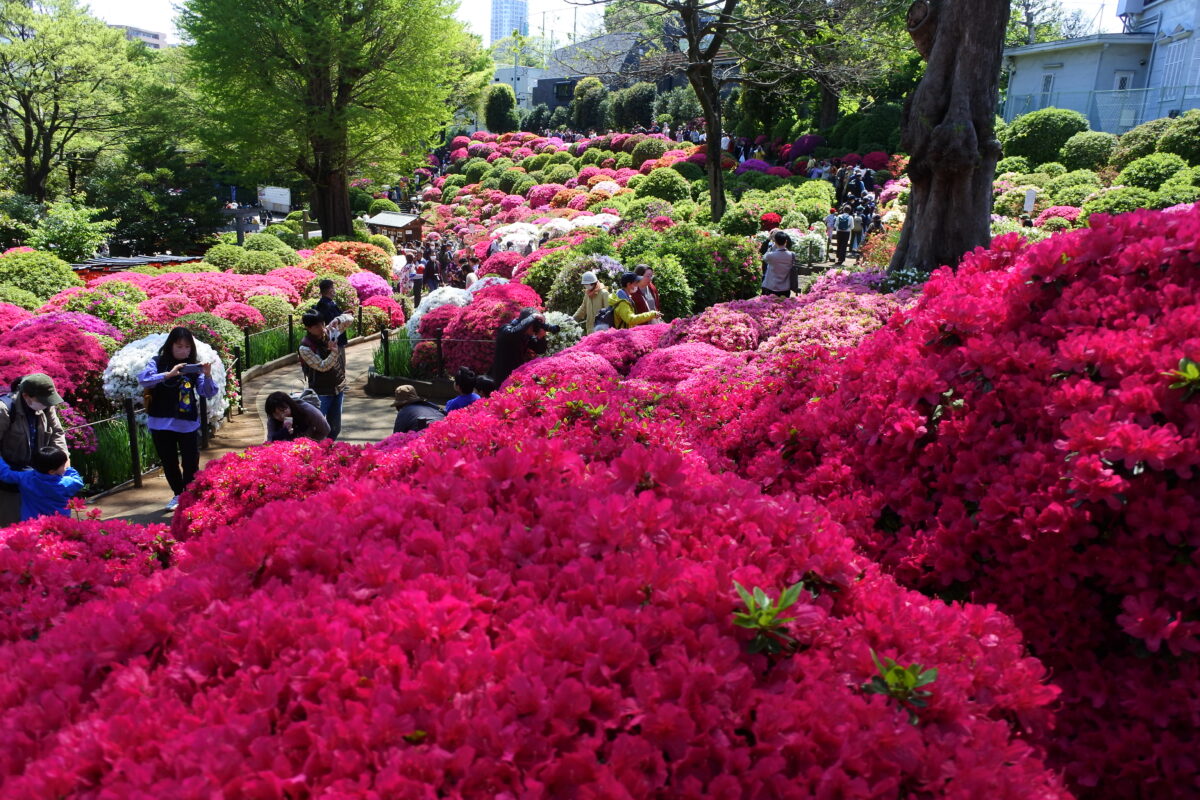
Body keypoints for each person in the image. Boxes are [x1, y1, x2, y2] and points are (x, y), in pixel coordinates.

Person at [138, 327, 219, 511]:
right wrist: (169, 374)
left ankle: (189, 494)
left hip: (187, 423)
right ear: (170, 346)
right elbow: (144, 380)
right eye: (179, 346)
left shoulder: (194, 368)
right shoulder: (157, 362)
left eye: (187, 347)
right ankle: (178, 493)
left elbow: (207, 392)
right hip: (160, 423)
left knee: (190, 461)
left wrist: (207, 374)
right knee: (169, 461)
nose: (184, 351)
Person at [0, 373, 69, 526]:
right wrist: (6, 474)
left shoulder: (46, 405)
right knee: (14, 526)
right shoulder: (4, 409)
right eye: (43, 401)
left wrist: (63, 460)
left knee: (42, 525)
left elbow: (57, 432)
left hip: (38, 477)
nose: (47, 404)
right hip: (9, 480)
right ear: (26, 395)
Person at [298, 310, 353, 441]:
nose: (321, 328)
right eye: (316, 326)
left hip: (338, 387)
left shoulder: (329, 331)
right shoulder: (305, 347)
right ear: (308, 328)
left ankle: (329, 449)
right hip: (321, 392)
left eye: (322, 323)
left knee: (335, 428)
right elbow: (322, 366)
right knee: (317, 428)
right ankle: (315, 451)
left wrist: (337, 320)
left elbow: (350, 319)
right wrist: (334, 352)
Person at [0, 446, 83, 522]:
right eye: (63, 465)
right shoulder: (65, 483)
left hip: (31, 525)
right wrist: (69, 469)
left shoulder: (25, 477)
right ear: (52, 471)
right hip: (58, 524)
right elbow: (78, 481)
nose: (64, 467)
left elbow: (6, 474)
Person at [492, 309, 555, 386]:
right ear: (525, 322)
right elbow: (514, 333)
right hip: (502, 374)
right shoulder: (505, 329)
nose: (535, 328)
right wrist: (533, 316)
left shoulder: (526, 335)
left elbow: (540, 350)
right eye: (534, 325)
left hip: (516, 374)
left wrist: (541, 337)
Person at [263, 390, 331, 442]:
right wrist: (282, 433)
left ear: (290, 405)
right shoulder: (272, 419)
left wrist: (311, 442)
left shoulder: (307, 410)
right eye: (276, 414)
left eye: (283, 410)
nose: (282, 416)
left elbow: (326, 429)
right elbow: (270, 441)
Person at [761, 230, 796, 297]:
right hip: (785, 288)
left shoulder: (770, 256)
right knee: (784, 303)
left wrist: (773, 245)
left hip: (771, 287)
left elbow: (764, 257)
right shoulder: (792, 255)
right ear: (786, 241)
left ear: (775, 241)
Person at [316, 279, 348, 349]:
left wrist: (343, 314)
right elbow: (331, 321)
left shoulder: (328, 303)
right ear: (330, 290)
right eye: (333, 287)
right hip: (334, 341)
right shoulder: (325, 305)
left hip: (336, 339)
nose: (334, 290)